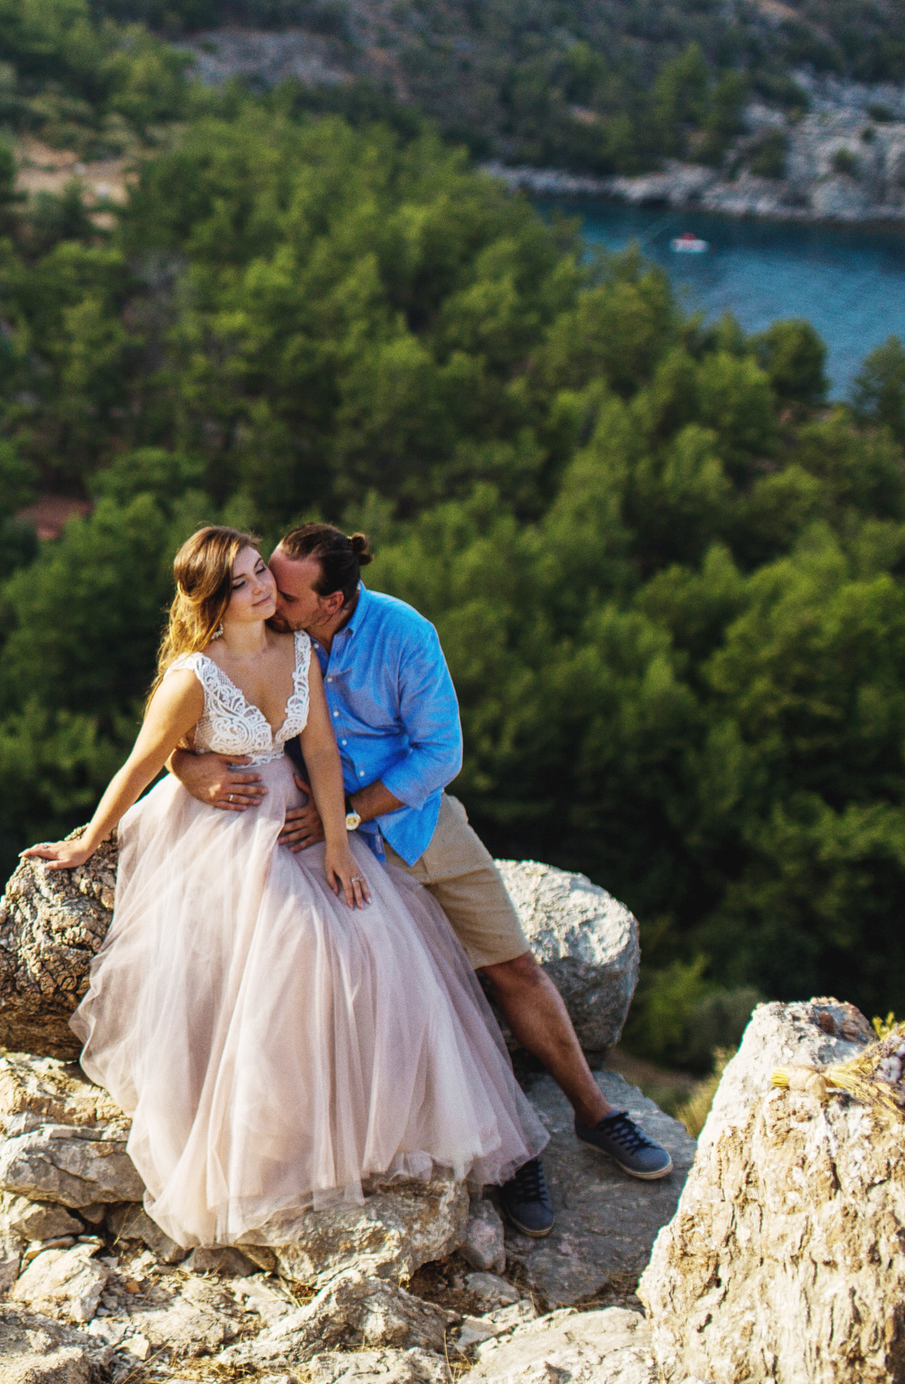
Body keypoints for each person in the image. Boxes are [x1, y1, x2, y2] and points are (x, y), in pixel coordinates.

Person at [28, 526, 547, 1251]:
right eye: (243, 581)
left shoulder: (298, 648)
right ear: (213, 600)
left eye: (262, 575)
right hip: (225, 831)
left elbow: (324, 752)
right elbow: (144, 761)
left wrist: (339, 844)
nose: (263, 587)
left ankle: (376, 1131)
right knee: (292, 955)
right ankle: (268, 1146)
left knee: (373, 941)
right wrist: (89, 837)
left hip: (302, 818)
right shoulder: (192, 676)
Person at [163, 523, 674, 1238]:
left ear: (331, 600)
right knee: (345, 984)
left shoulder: (403, 634)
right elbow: (186, 715)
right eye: (266, 580)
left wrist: (349, 814)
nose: (268, 595)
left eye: (286, 589)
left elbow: (441, 751)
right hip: (317, 837)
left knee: (511, 967)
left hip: (410, 824)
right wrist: (191, 768)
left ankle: (594, 1115)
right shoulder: (273, 631)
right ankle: (436, 1145)